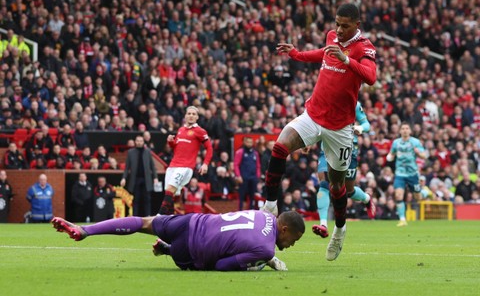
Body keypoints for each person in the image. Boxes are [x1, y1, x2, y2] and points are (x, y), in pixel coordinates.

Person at [263, 3, 376, 261]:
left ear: (357, 25)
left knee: (337, 185)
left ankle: (340, 229)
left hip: (340, 128)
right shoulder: (332, 37)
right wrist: (297, 54)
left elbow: (371, 77)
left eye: (345, 25)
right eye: (337, 23)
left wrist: (347, 60)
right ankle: (270, 205)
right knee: (280, 146)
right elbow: (323, 54)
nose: (339, 29)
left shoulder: (364, 47)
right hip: (314, 115)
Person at [51, 209, 304, 271]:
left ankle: (86, 230)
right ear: (283, 229)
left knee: (144, 222)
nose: (293, 244)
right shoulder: (265, 248)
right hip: (189, 250)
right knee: (204, 261)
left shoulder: (263, 214)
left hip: (191, 221)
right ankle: (169, 250)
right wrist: (256, 264)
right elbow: (221, 266)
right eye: (294, 238)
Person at [313, 101, 376, 238]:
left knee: (348, 190)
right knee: (324, 182)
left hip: (348, 149)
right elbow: (314, 122)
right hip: (327, 146)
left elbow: (367, 124)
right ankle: (323, 224)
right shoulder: (326, 99)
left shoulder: (353, 103)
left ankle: (366, 198)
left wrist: (360, 128)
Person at [158, 106, 213, 215]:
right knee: (169, 194)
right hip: (173, 165)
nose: (191, 116)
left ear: (197, 117)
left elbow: (209, 148)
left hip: (185, 167)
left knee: (169, 189)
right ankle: (170, 218)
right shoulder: (181, 130)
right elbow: (177, 148)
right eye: (189, 113)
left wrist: (205, 164)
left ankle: (160, 216)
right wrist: (170, 142)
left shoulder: (200, 131)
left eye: (193, 114)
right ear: (185, 116)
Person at [386, 122, 427, 227]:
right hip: (400, 173)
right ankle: (402, 219)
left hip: (412, 173)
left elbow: (424, 156)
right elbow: (392, 153)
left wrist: (418, 153)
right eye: (403, 128)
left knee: (418, 197)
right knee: (398, 195)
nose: (404, 130)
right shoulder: (396, 143)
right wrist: (390, 156)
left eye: (407, 128)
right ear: (400, 131)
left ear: (410, 131)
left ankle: (425, 193)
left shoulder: (415, 142)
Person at [120, 135, 158, 216]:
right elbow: (127, 167)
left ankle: (148, 216)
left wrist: (155, 177)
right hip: (135, 179)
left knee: (147, 199)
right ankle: (135, 217)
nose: (139, 142)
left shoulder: (148, 151)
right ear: (135, 142)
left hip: (146, 179)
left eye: (141, 141)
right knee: (135, 199)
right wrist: (124, 178)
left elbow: (152, 166)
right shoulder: (131, 152)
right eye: (138, 141)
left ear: (143, 142)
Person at [234, 136, 261, 210]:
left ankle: (251, 212)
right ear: (244, 142)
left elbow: (258, 165)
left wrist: (257, 176)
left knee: (252, 197)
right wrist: (238, 175)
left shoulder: (255, 153)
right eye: (248, 142)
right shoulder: (240, 152)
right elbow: (236, 164)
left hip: (253, 178)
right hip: (243, 178)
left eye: (251, 142)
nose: (249, 144)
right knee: (241, 197)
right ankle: (239, 211)